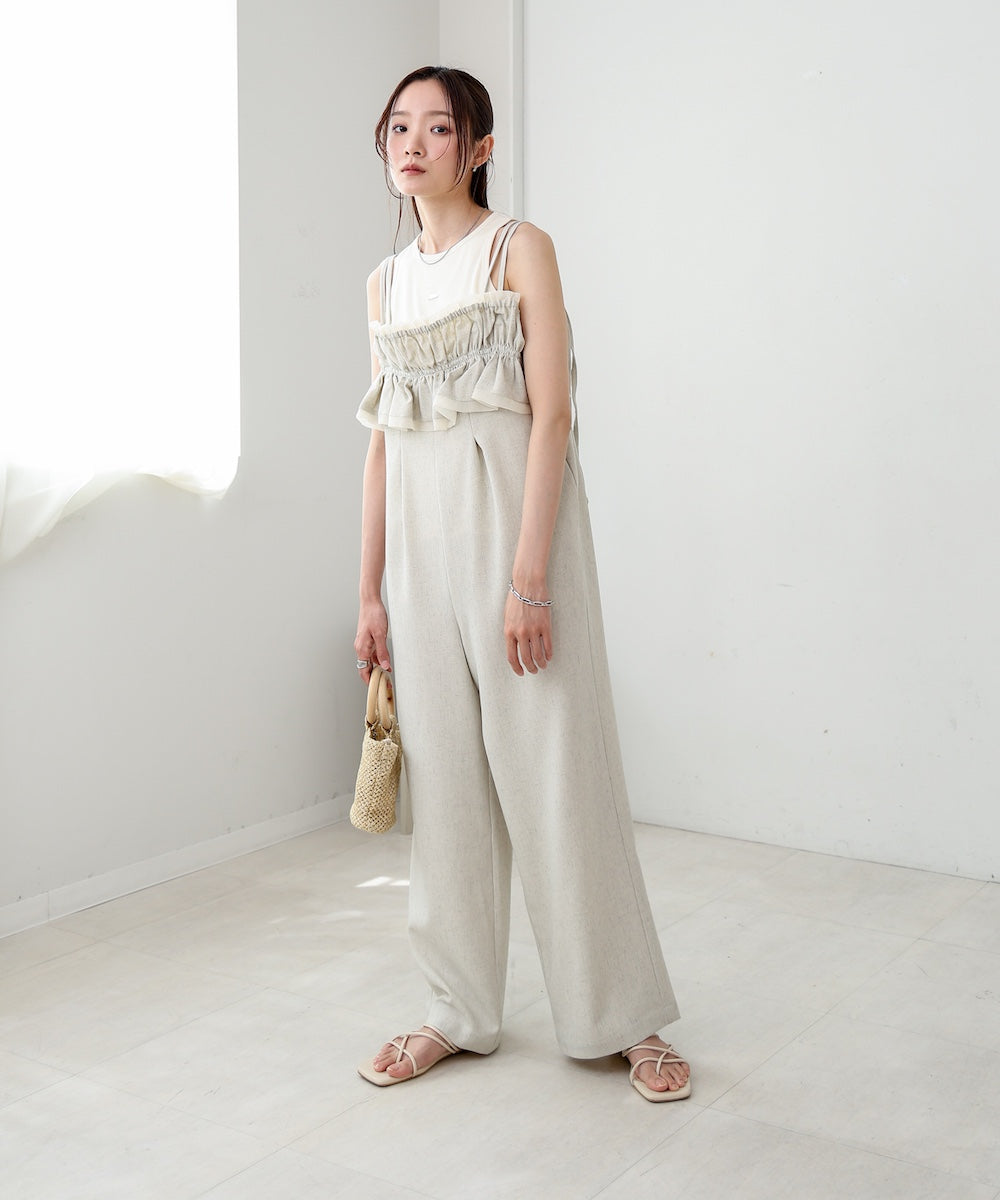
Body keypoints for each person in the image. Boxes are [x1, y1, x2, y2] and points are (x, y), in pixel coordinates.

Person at [353, 65, 691, 1102]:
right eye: (399, 127)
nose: (414, 144)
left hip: (513, 539)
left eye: (438, 127)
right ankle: (455, 1010)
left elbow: (552, 418)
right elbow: (380, 441)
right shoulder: (383, 283)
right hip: (415, 550)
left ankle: (622, 1016)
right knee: (448, 788)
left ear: (480, 148)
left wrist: (529, 578)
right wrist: (368, 593)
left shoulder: (519, 248)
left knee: (557, 774)